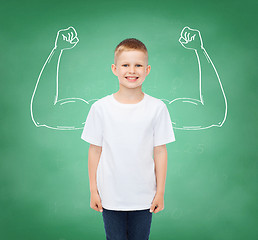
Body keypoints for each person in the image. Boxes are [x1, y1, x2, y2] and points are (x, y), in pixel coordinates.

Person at [81, 38, 176, 240]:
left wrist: (160, 192)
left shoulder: (157, 108)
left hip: (144, 197)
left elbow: (160, 151)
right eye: (125, 65)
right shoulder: (101, 108)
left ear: (147, 69)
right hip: (110, 195)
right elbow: (94, 150)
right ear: (115, 69)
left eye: (138, 65)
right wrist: (93, 190)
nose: (132, 70)